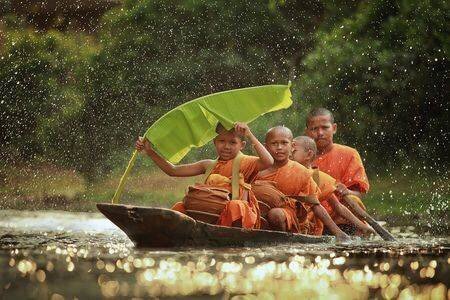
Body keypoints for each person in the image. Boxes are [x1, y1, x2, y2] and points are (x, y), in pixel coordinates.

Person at [135, 122, 273, 229]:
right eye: (221, 141)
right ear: (214, 142)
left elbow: (268, 161)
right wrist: (150, 151)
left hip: (237, 218)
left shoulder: (246, 161)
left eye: (232, 142)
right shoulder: (208, 165)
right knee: (179, 207)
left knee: (235, 206)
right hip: (208, 211)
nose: (226, 146)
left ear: (242, 145)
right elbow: (173, 170)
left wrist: (249, 134)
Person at [255, 126, 350, 241]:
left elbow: (315, 204)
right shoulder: (257, 168)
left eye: (284, 143)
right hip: (258, 214)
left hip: (289, 219)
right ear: (266, 147)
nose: (279, 148)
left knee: (276, 214)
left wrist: (337, 232)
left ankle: (282, 241)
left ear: (292, 146)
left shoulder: (301, 172)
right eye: (274, 143)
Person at [292, 135, 375, 235]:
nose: (289, 154)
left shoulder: (320, 178)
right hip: (292, 220)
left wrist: (361, 226)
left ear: (309, 155)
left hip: (310, 226)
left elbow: (337, 206)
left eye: (293, 151)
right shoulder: (286, 172)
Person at [305, 108, 370, 234]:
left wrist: (347, 191)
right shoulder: (301, 156)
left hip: (341, 217)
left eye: (325, 128)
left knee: (353, 200)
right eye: (314, 129)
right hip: (313, 216)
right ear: (307, 132)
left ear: (334, 128)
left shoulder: (349, 154)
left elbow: (358, 193)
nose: (320, 133)